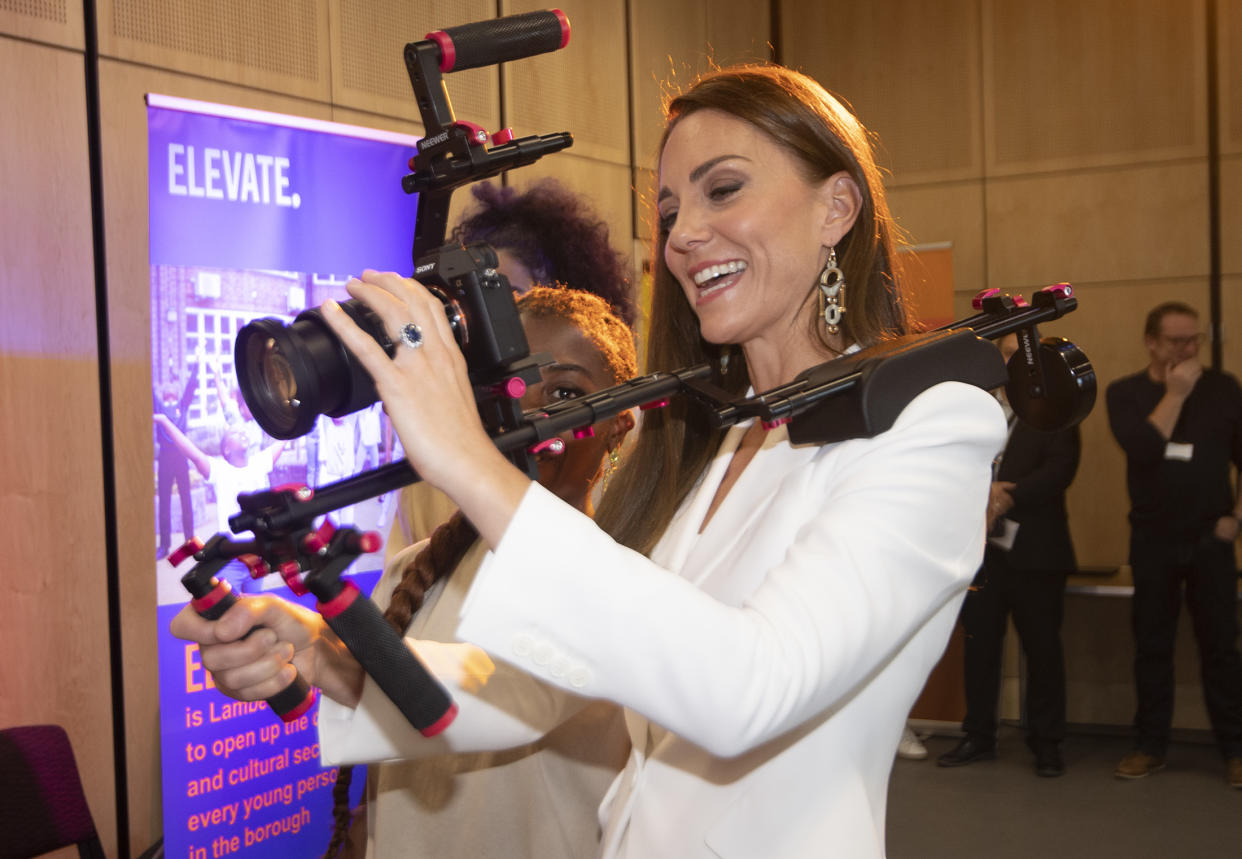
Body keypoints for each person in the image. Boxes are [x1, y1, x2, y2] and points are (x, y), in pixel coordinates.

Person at [172, 64, 1006, 857]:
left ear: (837, 207)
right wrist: (331, 657)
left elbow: (750, 688)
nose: (686, 235)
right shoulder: (715, 438)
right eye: (672, 209)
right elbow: (538, 687)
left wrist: (470, 458)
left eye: (725, 188)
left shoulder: (934, 424)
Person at [323, 287, 637, 859]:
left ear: (620, 426)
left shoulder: (626, 591)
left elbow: (507, 693)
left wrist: (322, 656)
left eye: (566, 392)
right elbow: (383, 795)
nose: (531, 414)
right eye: (509, 390)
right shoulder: (406, 572)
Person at [387, 178, 636, 559]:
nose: (486, 320)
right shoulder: (435, 452)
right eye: (472, 300)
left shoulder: (609, 444)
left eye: (504, 297)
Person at [1105, 301, 1242, 787]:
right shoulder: (1125, 393)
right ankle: (1149, 747)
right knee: (1153, 647)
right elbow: (1143, 450)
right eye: (1176, 341)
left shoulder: (1225, 389)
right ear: (1152, 342)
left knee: (1222, 648)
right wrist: (1177, 394)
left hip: (1212, 540)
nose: (1187, 350)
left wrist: (1236, 519)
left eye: (1193, 340)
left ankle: (1234, 749)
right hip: (1153, 542)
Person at [937, 333, 1080, 777]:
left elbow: (1060, 470)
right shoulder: (976, 412)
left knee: (1042, 651)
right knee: (980, 649)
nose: (1016, 363)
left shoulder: (1055, 412)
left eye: (1024, 357)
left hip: (1037, 552)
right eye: (1007, 356)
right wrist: (980, 492)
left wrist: (1007, 494)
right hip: (981, 553)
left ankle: (1046, 742)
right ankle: (978, 735)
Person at [153, 414, 286, 593]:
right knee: (231, 612)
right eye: (235, 433)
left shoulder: (259, 463)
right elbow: (189, 450)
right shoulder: (219, 470)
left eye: (242, 432)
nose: (242, 434)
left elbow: (286, 437)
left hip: (257, 556)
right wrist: (164, 421)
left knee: (254, 611)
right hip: (231, 559)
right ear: (226, 450)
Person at [154, 369, 197, 560]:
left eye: (173, 392)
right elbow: (150, 394)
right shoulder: (160, 410)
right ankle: (164, 545)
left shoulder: (182, 406)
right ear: (164, 396)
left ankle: (190, 541)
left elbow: (190, 387)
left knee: (186, 500)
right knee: (164, 502)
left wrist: (196, 363)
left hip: (181, 458)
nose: (170, 394)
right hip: (165, 459)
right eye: (167, 393)